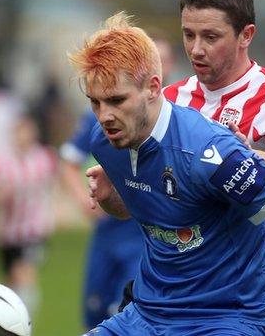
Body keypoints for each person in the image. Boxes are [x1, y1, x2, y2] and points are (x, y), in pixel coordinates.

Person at [69, 12, 265, 335]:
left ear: (152, 88)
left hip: (225, 319)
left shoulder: (208, 152)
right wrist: (112, 197)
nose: (104, 116)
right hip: (147, 314)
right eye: (95, 102)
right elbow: (145, 206)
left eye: (117, 100)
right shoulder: (104, 142)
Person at [119, 0, 265, 329]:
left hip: (237, 299)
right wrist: (115, 180)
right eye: (188, 34)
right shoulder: (169, 99)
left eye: (211, 36)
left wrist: (234, 155)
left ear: (246, 35)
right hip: (162, 289)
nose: (196, 49)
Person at [61, 32, 176, 329]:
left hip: (144, 239)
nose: (104, 113)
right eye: (95, 103)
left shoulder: (179, 123)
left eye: (163, 62)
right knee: (94, 314)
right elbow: (68, 162)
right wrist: (87, 201)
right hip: (107, 232)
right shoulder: (102, 120)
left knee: (126, 314)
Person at [0, 114, 57, 317]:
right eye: (19, 132)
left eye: (27, 131)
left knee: (25, 275)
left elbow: (56, 186)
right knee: (9, 285)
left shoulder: (45, 158)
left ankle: (24, 325)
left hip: (33, 230)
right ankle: (8, 323)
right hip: (6, 233)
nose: (23, 136)